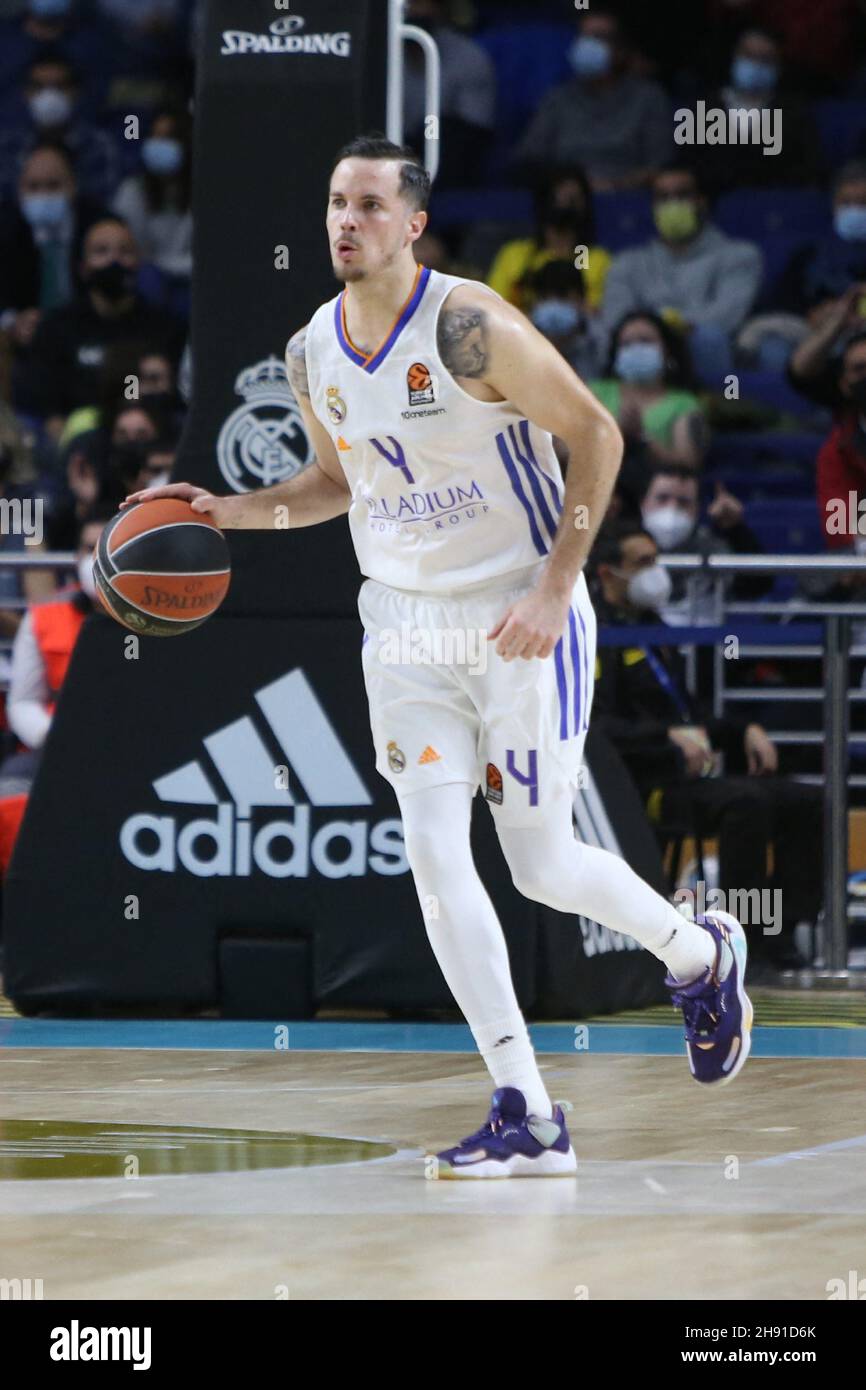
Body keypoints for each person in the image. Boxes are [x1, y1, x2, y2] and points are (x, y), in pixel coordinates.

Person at [125, 133, 753, 1179]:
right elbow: (335, 487)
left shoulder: (468, 325)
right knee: (431, 850)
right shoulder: (309, 352)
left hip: (518, 611)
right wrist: (228, 511)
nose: (346, 220)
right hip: (405, 625)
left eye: (369, 204)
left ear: (412, 223)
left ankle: (700, 955)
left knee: (541, 864)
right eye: (336, 201)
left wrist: (558, 585)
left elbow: (594, 433)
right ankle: (524, 1106)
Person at [590, 519, 824, 966]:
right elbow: (597, 729)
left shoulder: (655, 629)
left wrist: (741, 730)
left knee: (806, 800)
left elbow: (690, 715)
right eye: (642, 563)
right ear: (607, 573)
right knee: (746, 804)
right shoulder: (598, 635)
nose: (655, 572)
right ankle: (740, 936)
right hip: (645, 784)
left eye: (656, 561)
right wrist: (665, 738)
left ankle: (781, 928)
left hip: (692, 775)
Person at [15, 214, 185, 435]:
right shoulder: (57, 327)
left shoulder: (164, 328)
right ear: (83, 267)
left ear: (139, 263)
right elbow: (46, 406)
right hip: (77, 435)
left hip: (143, 432)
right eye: (101, 251)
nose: (114, 260)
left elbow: (169, 395)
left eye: (124, 251)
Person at [601, 166, 763, 384]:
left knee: (708, 338)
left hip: (708, 354)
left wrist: (670, 329)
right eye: (664, 197)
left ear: (701, 201)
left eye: (682, 195)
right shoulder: (626, 263)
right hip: (641, 354)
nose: (673, 204)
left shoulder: (740, 256)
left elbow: (726, 316)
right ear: (653, 207)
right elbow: (616, 318)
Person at [513, 7, 673, 190]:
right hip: (567, 199)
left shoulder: (649, 98)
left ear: (620, 50)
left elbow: (660, 166)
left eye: (597, 38)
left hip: (629, 202)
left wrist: (612, 186)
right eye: (583, 37)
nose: (586, 45)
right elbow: (529, 159)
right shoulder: (557, 99)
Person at [638, 463, 771, 623]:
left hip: (698, 643)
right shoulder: (624, 547)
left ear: (697, 509)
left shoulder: (712, 549)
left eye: (684, 502)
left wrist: (735, 530)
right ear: (643, 502)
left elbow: (757, 585)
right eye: (662, 498)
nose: (672, 508)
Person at [589, 312, 708, 489]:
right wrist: (615, 433)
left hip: (658, 496)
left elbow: (686, 463)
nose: (636, 349)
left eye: (646, 341)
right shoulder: (593, 392)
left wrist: (642, 438)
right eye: (627, 344)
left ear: (667, 350)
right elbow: (559, 450)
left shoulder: (683, 403)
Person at [487, 165, 612, 313]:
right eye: (559, 197)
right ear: (544, 202)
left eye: (574, 199)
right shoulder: (516, 254)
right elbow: (492, 306)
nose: (566, 205)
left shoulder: (588, 256)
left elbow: (597, 311)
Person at [0, 54, 121, 205]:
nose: (49, 96)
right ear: (26, 93)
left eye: (59, 86)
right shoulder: (6, 146)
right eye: (39, 86)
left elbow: (102, 206)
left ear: (76, 92)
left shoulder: (98, 145)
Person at [401, 0, 495, 188]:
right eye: (407, 4)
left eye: (420, 3)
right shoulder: (377, 56)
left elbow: (474, 129)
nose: (413, 10)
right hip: (390, 158)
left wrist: (427, 136)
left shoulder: (468, 56)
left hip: (448, 163)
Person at [111, 107, 192, 281]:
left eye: (168, 138)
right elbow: (128, 249)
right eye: (155, 136)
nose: (158, 144)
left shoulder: (204, 193)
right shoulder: (131, 191)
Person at [525, 261, 606, 385]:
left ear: (582, 300)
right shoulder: (521, 337)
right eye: (546, 298)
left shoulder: (598, 338)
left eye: (562, 297)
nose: (554, 305)